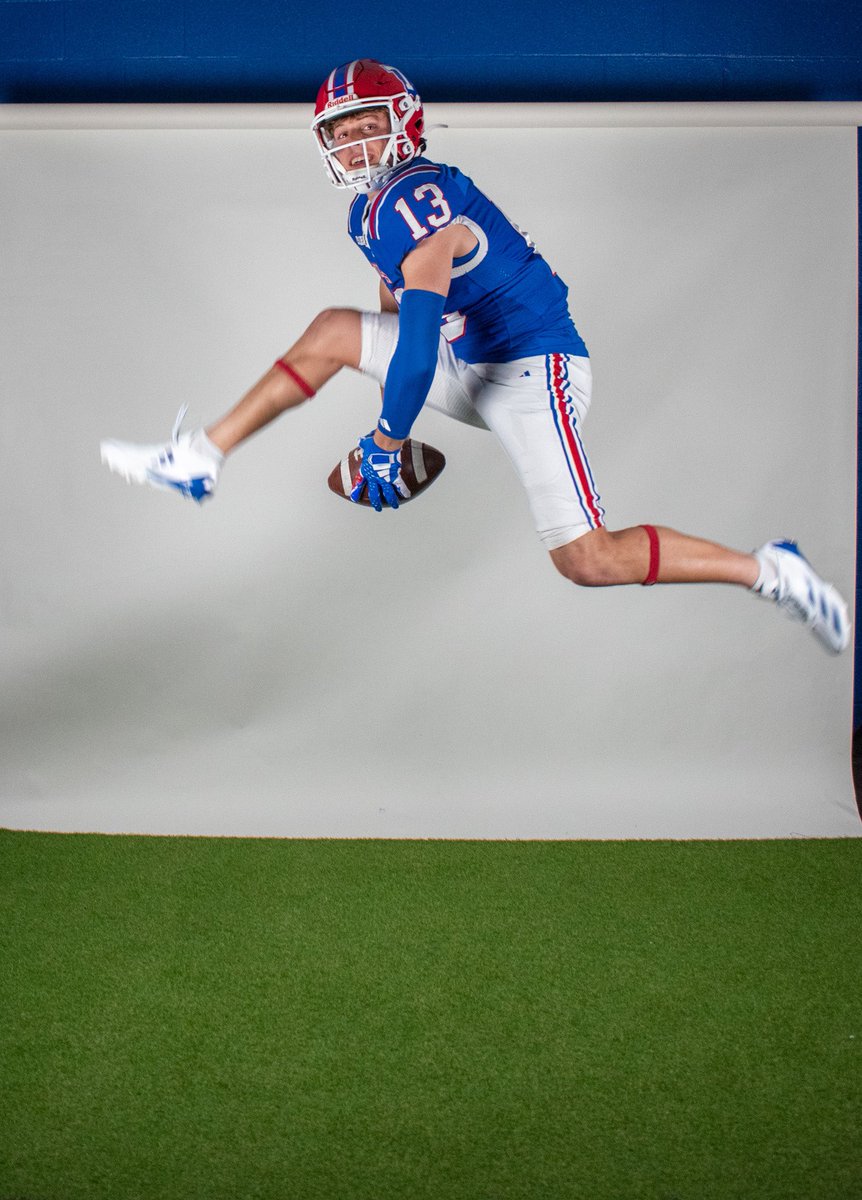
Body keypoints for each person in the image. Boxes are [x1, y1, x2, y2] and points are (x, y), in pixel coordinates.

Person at [100, 58, 850, 655]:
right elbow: (392, 321)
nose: (354, 143)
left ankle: (770, 571)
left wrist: (388, 441)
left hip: (532, 369)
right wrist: (383, 413)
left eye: (366, 124)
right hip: (472, 362)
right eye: (340, 130)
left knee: (587, 560)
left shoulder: (417, 195)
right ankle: (200, 457)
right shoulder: (367, 211)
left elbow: (419, 340)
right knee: (336, 328)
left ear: (405, 124)